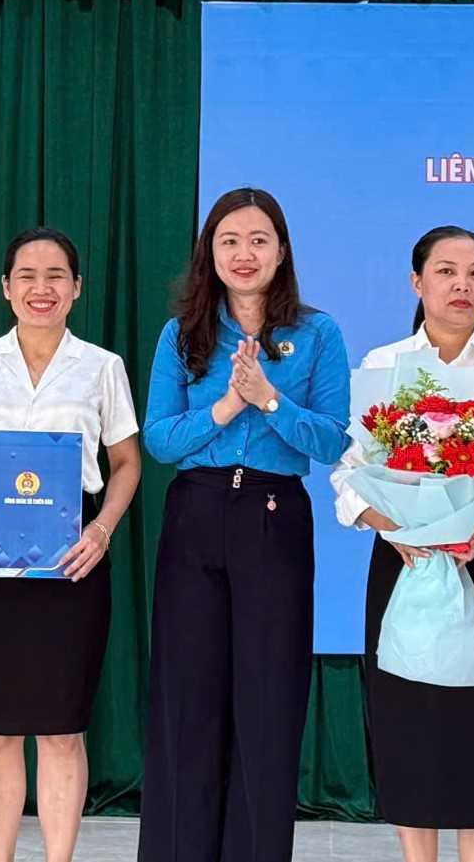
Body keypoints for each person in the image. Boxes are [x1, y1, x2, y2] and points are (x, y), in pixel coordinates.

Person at [329, 225, 474, 862]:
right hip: (405, 560)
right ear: (417, 281)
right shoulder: (383, 366)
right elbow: (348, 471)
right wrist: (397, 527)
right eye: (446, 271)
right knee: (409, 715)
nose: (462, 285)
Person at [138, 187, 351, 862]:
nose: (245, 253)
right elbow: (161, 439)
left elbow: (332, 440)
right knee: (188, 700)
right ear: (210, 251)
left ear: (282, 250)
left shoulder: (318, 333)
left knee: (267, 702)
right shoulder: (183, 334)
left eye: (259, 239)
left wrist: (271, 399)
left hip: (272, 519)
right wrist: (229, 406)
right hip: (196, 515)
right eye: (230, 240)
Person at [0, 227, 143, 862]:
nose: (41, 288)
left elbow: (127, 461)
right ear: (5, 287)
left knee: (61, 729)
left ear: (77, 289)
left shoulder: (103, 367)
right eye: (27, 275)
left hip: (73, 558)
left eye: (56, 276)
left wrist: (101, 530)